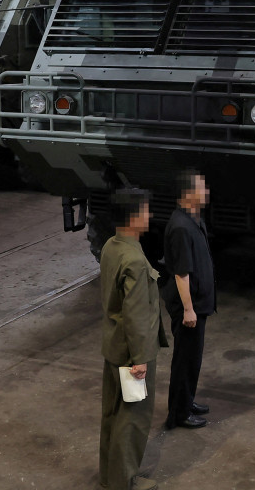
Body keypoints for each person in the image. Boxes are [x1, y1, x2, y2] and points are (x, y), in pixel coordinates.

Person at [99, 188, 167, 490]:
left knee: (112, 415)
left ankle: (109, 476)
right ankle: (123, 481)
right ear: (134, 216)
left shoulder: (111, 247)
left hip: (114, 345)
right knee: (133, 419)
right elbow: (137, 313)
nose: (149, 216)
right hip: (132, 353)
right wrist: (140, 358)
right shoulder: (134, 260)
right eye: (145, 210)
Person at [161, 168, 215, 429]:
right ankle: (179, 414)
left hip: (198, 303)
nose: (206, 192)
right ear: (188, 194)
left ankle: (187, 400)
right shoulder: (181, 227)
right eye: (201, 187)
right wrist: (188, 310)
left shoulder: (195, 219)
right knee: (184, 360)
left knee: (193, 358)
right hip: (187, 307)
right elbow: (181, 273)